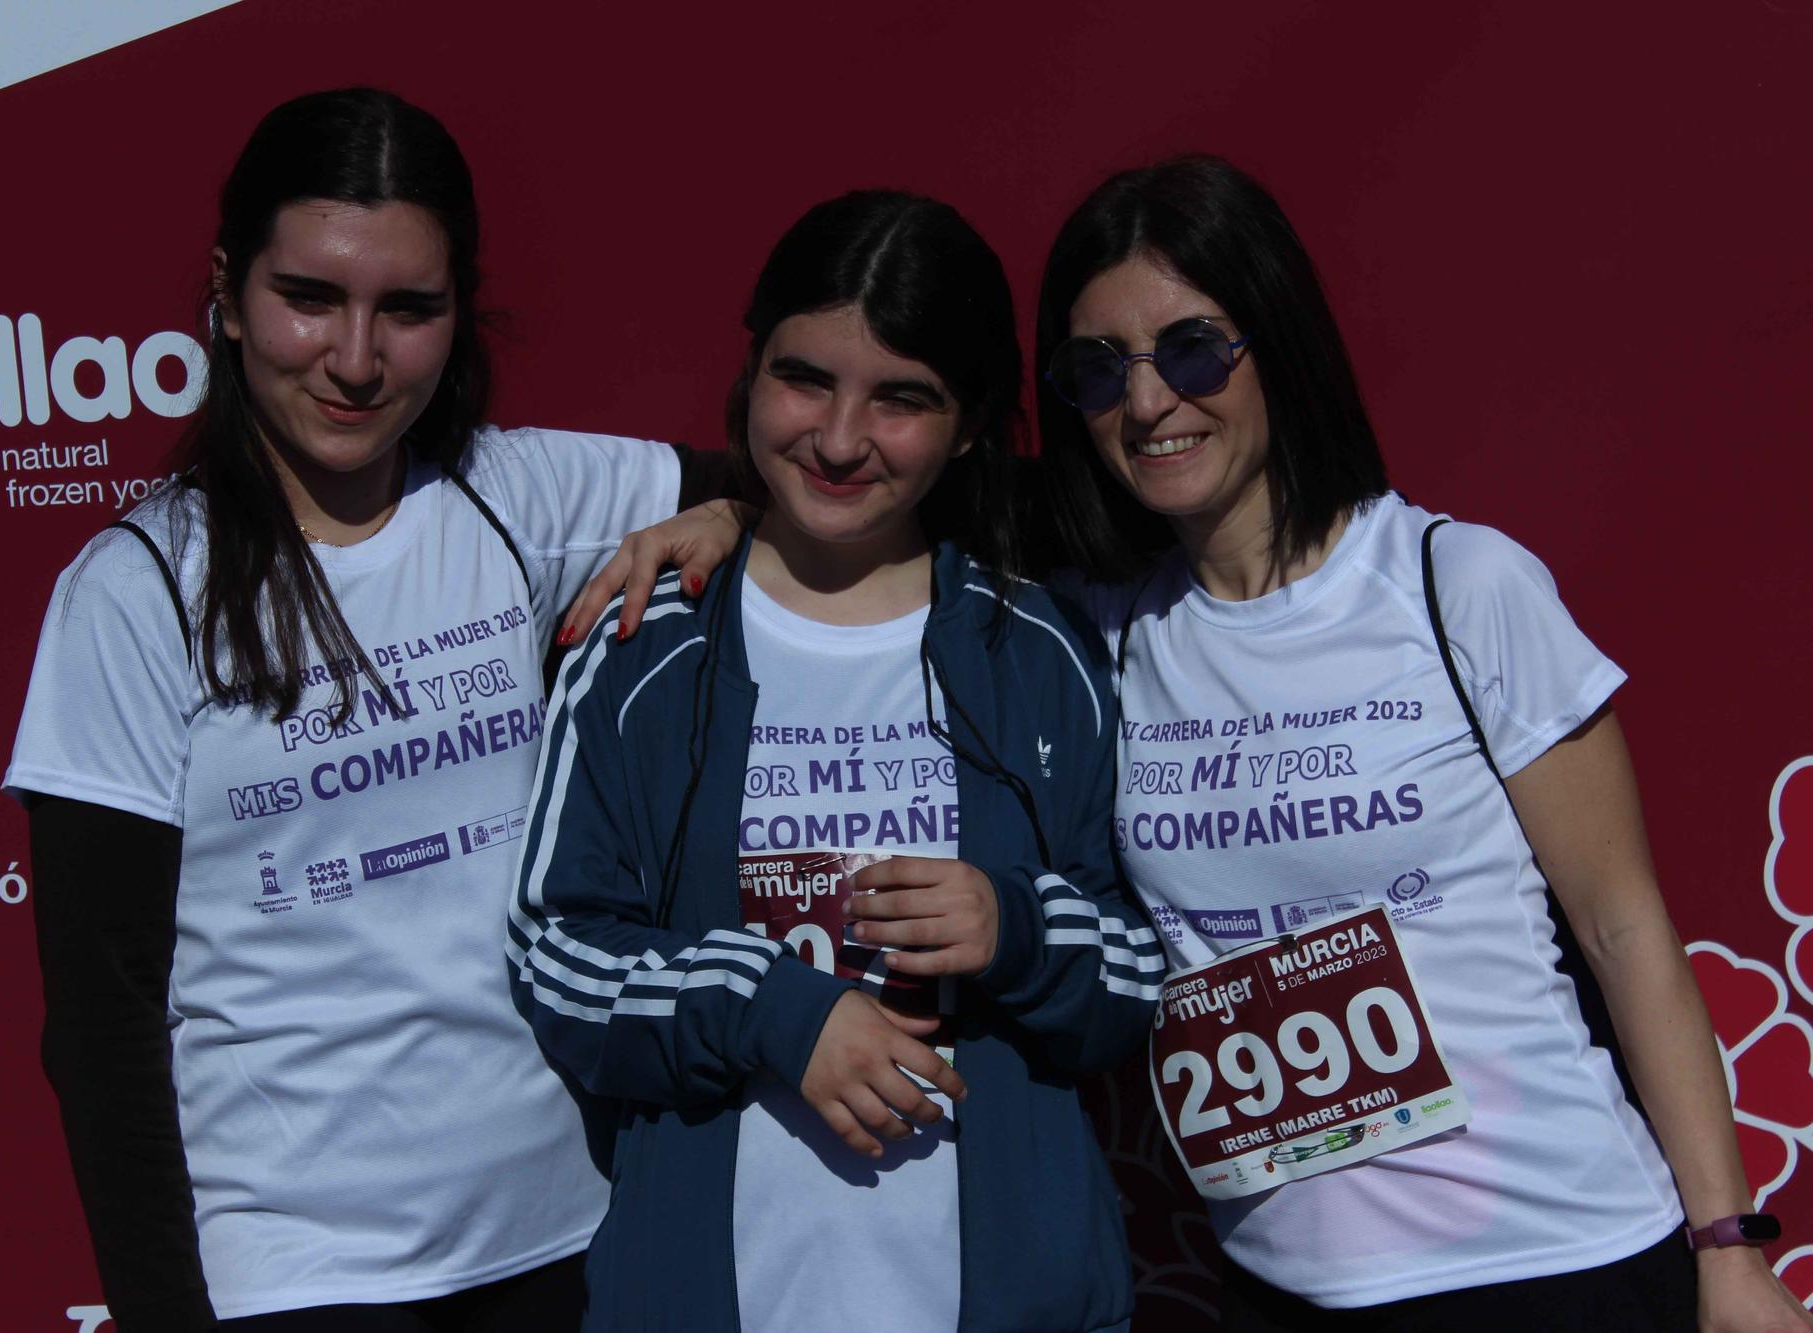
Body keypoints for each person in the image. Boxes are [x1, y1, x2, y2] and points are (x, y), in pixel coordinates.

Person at [1032, 155, 1808, 1331]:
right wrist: (734, 510)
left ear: (1277, 345)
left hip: (1552, 1261)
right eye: (1100, 371)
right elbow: (866, 487)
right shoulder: (1101, 634)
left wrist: (1727, 1245)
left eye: (1193, 349)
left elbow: (1619, 924)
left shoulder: (1455, 584)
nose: (1147, 405)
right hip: (1285, 1286)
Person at [5, 88, 689, 1331]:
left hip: (574, 1231)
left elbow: (828, 488)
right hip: (302, 1273)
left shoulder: (516, 493)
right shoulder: (137, 589)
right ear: (226, 292)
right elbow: (102, 1021)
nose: (356, 359)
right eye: (308, 298)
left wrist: (728, 517)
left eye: (407, 310)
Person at [507, 190, 1163, 1332]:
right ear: (749, 371)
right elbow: (554, 956)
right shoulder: (642, 643)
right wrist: (771, 1007)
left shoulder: (1041, 648)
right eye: (803, 378)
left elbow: (1140, 973)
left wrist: (1015, 926)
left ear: (966, 427)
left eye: (901, 399)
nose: (840, 437)